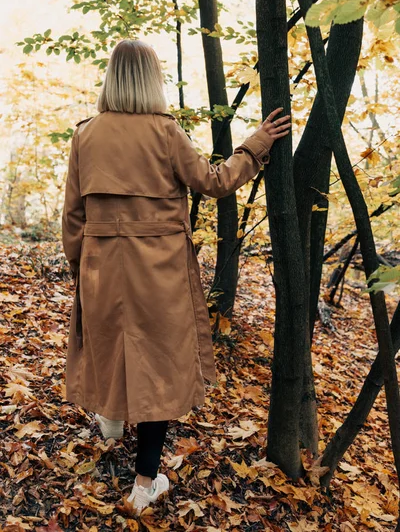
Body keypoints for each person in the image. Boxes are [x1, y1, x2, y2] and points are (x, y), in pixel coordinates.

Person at [61, 39, 291, 513]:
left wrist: (80, 271)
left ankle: (111, 417)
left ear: (111, 78)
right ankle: (144, 486)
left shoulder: (85, 136)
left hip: (102, 268)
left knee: (109, 343)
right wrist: (257, 144)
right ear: (151, 80)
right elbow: (216, 181)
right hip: (159, 273)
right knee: (158, 372)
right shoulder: (165, 133)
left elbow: (73, 219)